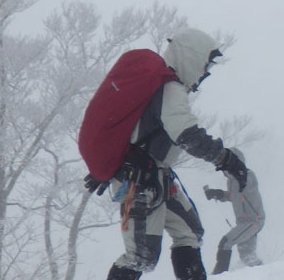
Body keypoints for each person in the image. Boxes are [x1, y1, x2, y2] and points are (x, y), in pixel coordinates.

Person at [85, 28, 251, 280]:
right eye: (205, 65)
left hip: (155, 177)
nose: (205, 73)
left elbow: (133, 129)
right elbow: (187, 135)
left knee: (190, 233)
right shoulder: (169, 87)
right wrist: (226, 159)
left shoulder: (163, 86)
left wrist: (110, 164)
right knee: (141, 257)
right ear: (192, 57)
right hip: (140, 183)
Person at [203, 148, 265, 274]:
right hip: (243, 223)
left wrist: (234, 170)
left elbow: (244, 188)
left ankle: (219, 275)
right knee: (248, 258)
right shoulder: (231, 181)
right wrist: (218, 194)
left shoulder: (246, 176)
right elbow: (235, 197)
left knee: (226, 242)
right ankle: (269, 272)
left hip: (253, 221)